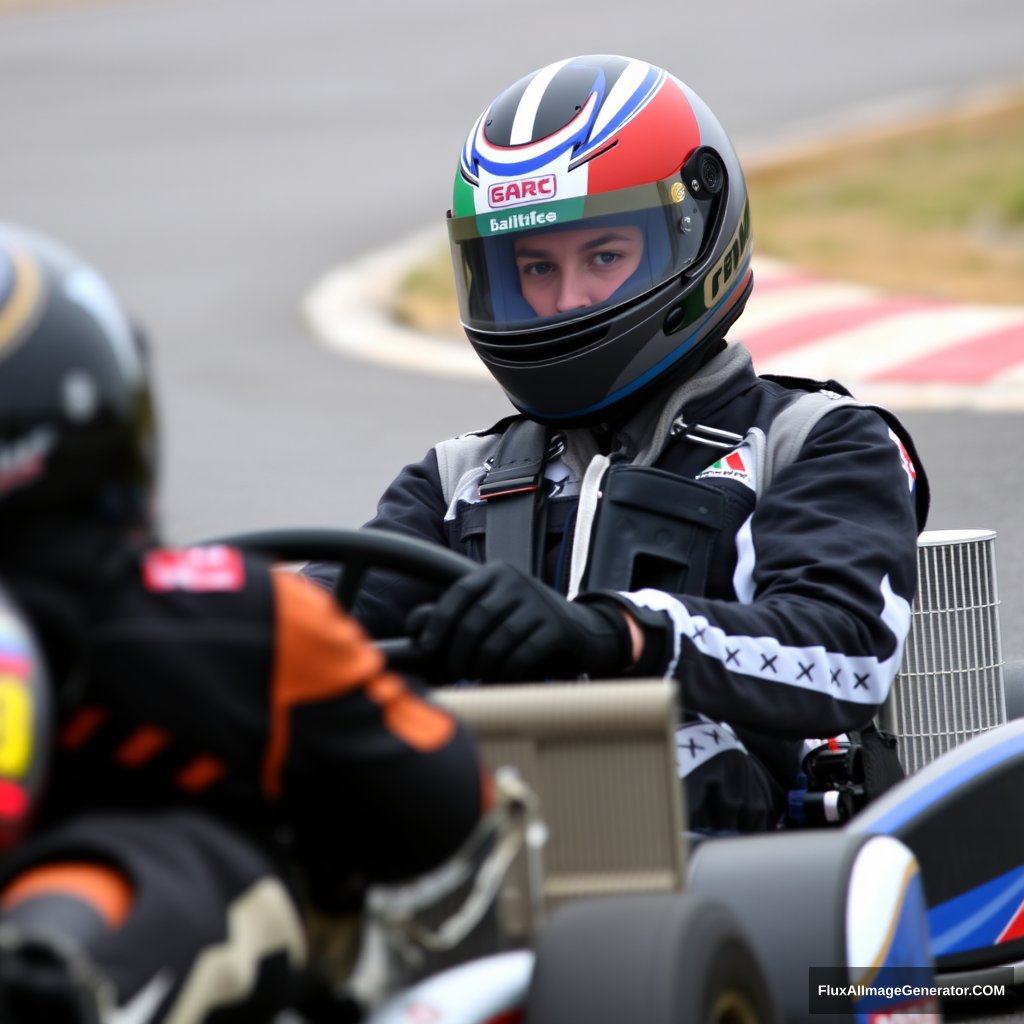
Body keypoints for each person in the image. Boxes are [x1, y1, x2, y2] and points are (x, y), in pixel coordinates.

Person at [306, 55, 929, 833]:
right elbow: (311, 632)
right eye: (535, 267)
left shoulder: (812, 442)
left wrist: (621, 633)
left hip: (741, 869)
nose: (567, 300)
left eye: (603, 257)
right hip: (489, 846)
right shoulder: (456, 481)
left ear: (696, 232)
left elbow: (847, 655)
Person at [0, 222, 486, 1024]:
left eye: (601, 258)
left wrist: (613, 628)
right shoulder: (247, 617)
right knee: (196, 858)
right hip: (152, 931)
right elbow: (438, 810)